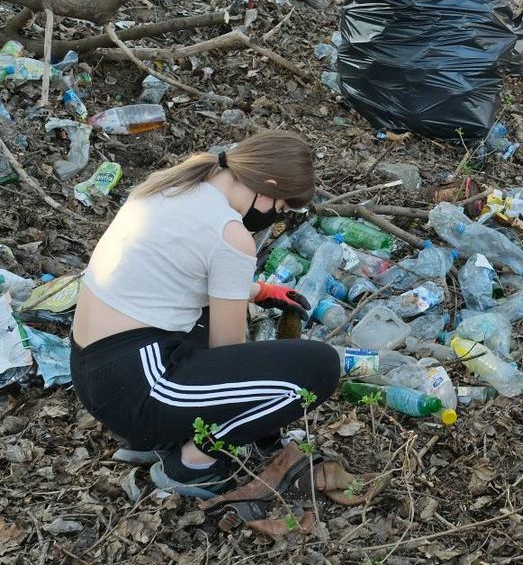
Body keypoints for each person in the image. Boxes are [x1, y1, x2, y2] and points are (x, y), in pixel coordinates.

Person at [71, 130, 340, 499]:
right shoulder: (229, 233)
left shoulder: (171, 187)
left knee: (210, 314)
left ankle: (157, 435)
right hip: (139, 387)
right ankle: (193, 461)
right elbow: (228, 353)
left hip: (98, 373)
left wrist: (260, 291)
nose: (274, 217)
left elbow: (175, 278)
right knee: (320, 367)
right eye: (279, 207)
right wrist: (268, 403)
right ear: (269, 185)